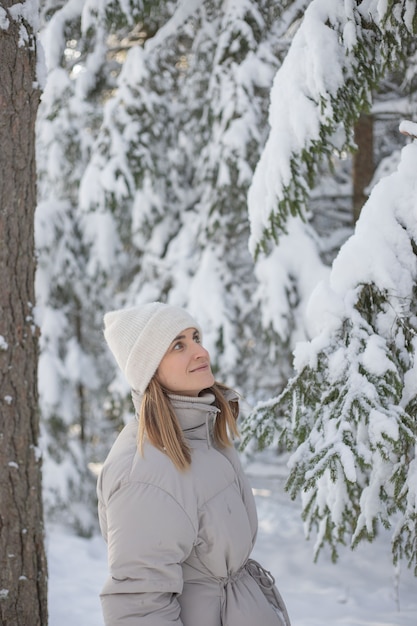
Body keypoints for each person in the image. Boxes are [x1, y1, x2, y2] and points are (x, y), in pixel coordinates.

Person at [97, 301, 291, 626]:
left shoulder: (203, 435)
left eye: (196, 337)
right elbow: (139, 608)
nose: (201, 352)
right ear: (149, 369)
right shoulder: (145, 472)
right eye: (178, 345)